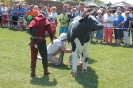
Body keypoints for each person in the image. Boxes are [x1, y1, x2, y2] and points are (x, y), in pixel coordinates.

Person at [28, 11, 54, 77]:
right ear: (44, 15)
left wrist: (33, 35)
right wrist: (51, 39)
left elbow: (29, 30)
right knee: (44, 56)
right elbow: (50, 31)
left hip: (33, 41)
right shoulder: (45, 20)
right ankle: (45, 71)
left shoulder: (34, 20)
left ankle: (33, 72)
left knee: (33, 57)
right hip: (41, 41)